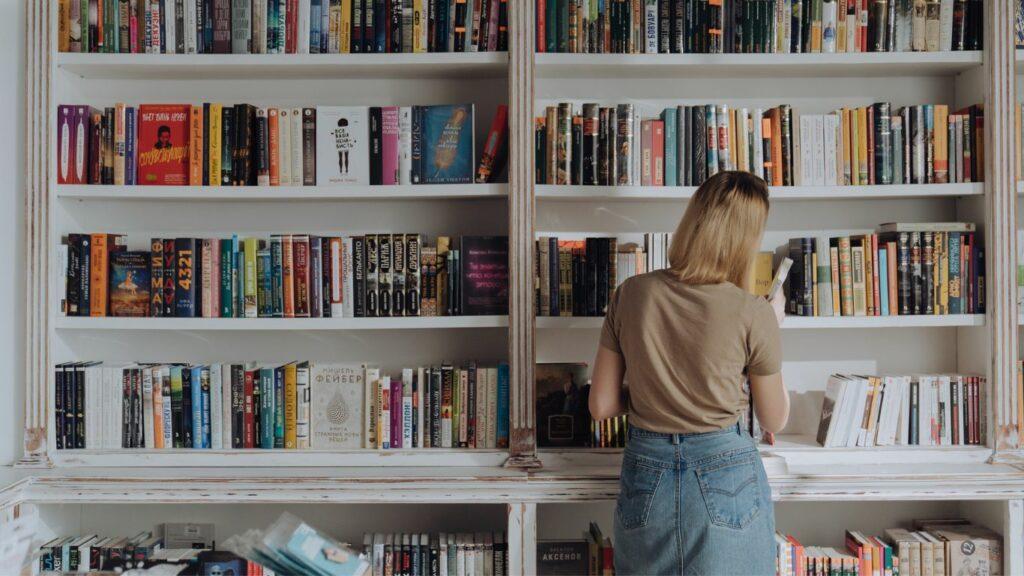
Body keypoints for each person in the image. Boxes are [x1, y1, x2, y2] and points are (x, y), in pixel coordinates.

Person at [589, 170, 789, 575]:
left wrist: (654, 391)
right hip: (726, 467)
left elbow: (602, 405)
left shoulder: (630, 293)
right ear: (745, 240)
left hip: (646, 469)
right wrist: (773, 323)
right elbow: (775, 418)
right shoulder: (754, 311)